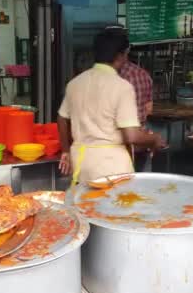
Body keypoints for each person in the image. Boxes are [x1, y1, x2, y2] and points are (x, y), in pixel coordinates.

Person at [57, 29, 166, 185]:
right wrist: (154, 139)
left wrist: (66, 150)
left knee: (85, 207)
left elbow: (61, 118)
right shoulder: (122, 87)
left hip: (81, 164)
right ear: (121, 56)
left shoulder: (75, 83)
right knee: (114, 208)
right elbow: (132, 136)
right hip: (110, 167)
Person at [103, 25, 155, 172]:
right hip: (140, 143)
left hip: (111, 147)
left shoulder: (99, 78)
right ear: (127, 49)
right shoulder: (143, 75)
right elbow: (148, 110)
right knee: (137, 189)